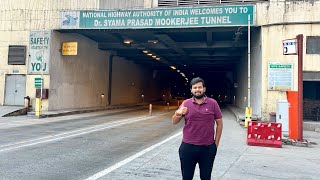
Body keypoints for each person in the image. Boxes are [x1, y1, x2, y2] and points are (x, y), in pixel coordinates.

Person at [172, 77, 223, 180]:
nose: (197, 90)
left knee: (206, 177)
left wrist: (215, 145)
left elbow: (220, 124)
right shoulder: (186, 103)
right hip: (187, 147)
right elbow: (174, 121)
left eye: (200, 87)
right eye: (194, 87)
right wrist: (178, 114)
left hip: (207, 148)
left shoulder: (213, 103)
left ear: (204, 89)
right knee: (186, 177)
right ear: (191, 90)